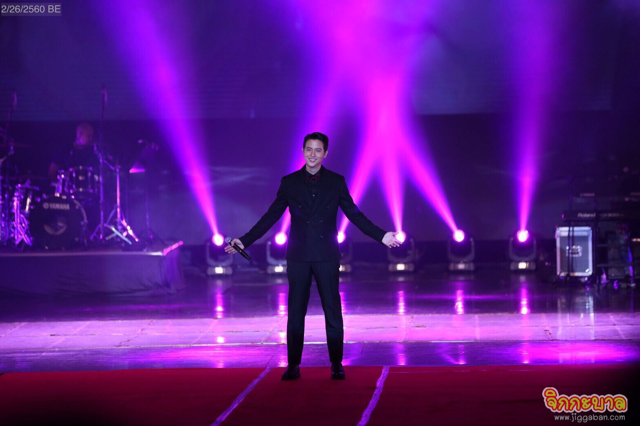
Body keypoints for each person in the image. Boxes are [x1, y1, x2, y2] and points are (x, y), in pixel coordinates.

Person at [225, 132, 402, 380]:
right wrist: (244, 240)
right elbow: (271, 216)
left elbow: (355, 214)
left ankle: (336, 363)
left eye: (318, 150)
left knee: (333, 310)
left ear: (325, 153)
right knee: (296, 311)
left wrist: (381, 236)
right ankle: (293, 364)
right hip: (298, 255)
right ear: (303, 151)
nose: (312, 154)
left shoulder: (336, 182)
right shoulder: (289, 182)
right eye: (309, 149)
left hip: (326, 254)